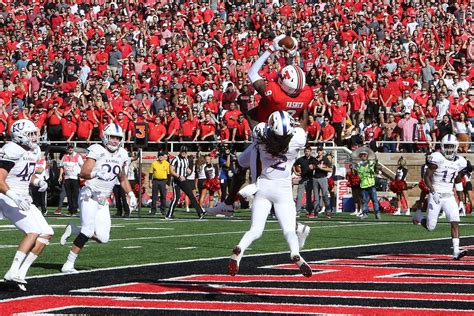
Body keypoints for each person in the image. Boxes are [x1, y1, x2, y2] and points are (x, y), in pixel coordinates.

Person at [208, 35, 312, 247]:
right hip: (287, 138)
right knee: (240, 163)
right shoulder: (305, 93)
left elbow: (252, 73)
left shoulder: (276, 96)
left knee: (262, 183)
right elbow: (294, 79)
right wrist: (291, 57)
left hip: (267, 136)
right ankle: (228, 203)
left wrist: (270, 50)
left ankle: (293, 226)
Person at [229, 111, 312, 278]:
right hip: (282, 189)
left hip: (263, 186)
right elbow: (303, 122)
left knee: (255, 230)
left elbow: (254, 122)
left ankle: (240, 248)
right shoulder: (297, 138)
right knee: (289, 230)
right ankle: (295, 253)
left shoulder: (261, 134)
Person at [60, 123, 137, 273]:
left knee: (103, 238)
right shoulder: (97, 149)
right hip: (89, 194)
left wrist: (131, 194)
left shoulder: (122, 154)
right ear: (105, 137)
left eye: (118, 138)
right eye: (112, 137)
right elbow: (83, 173)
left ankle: (75, 229)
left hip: (103, 199)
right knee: (88, 230)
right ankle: (68, 264)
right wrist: (96, 173)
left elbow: (122, 177)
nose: (114, 141)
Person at [1, 119, 52, 291]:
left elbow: (24, 174)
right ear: (20, 136)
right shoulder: (11, 149)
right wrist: (14, 197)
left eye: (35, 133)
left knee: (47, 233)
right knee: (33, 231)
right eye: (31, 134)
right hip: (7, 196)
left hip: (23, 196)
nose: (35, 137)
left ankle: (21, 273)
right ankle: (12, 271)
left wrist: (37, 182)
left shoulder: (34, 150)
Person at [412, 135, 468, 260]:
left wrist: (461, 201)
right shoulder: (437, 158)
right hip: (436, 194)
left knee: (455, 221)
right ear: (442, 147)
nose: (449, 150)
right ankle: (419, 217)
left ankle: (455, 252)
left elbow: (458, 180)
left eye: (451, 147)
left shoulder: (460, 161)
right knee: (431, 227)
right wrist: (432, 192)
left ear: (456, 147)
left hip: (449, 196)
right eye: (447, 147)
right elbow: (426, 177)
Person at [166, 145, 206, 219]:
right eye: (182, 151)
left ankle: (200, 212)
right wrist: (178, 176)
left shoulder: (186, 159)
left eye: (185, 152)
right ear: (180, 151)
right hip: (177, 180)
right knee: (176, 198)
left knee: (191, 195)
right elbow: (171, 170)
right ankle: (169, 214)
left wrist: (189, 171)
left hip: (184, 179)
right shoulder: (175, 159)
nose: (183, 153)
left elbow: (187, 169)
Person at [354, 149, 381, 220]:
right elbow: (357, 173)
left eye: (365, 155)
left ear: (367, 156)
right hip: (363, 184)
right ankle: (365, 214)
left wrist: (377, 164)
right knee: (364, 201)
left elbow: (377, 169)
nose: (364, 156)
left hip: (371, 184)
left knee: (374, 200)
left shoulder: (371, 163)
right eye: (362, 155)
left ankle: (377, 213)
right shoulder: (359, 165)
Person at [59, 143, 84, 216]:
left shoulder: (77, 156)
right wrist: (60, 175)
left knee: (75, 194)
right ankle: (70, 210)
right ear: (68, 148)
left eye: (72, 148)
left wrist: (81, 175)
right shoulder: (65, 156)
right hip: (67, 178)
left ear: (73, 148)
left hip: (75, 178)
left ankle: (75, 210)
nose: (70, 149)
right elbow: (61, 167)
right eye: (69, 148)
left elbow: (82, 165)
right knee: (69, 195)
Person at [310, 147, 332, 218]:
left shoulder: (325, 159)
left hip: (323, 178)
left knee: (325, 195)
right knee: (316, 197)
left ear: (323, 151)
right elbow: (312, 167)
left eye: (320, 150)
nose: (319, 152)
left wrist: (322, 168)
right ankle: (315, 212)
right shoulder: (314, 159)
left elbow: (330, 169)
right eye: (318, 150)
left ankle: (328, 212)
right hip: (315, 178)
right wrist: (311, 167)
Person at [293, 146, 315, 216]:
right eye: (306, 151)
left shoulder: (313, 159)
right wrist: (295, 172)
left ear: (310, 152)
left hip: (310, 179)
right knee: (299, 195)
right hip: (302, 179)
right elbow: (294, 165)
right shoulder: (301, 159)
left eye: (308, 151)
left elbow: (317, 165)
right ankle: (297, 211)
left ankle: (309, 211)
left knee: (309, 196)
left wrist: (314, 167)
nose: (307, 152)